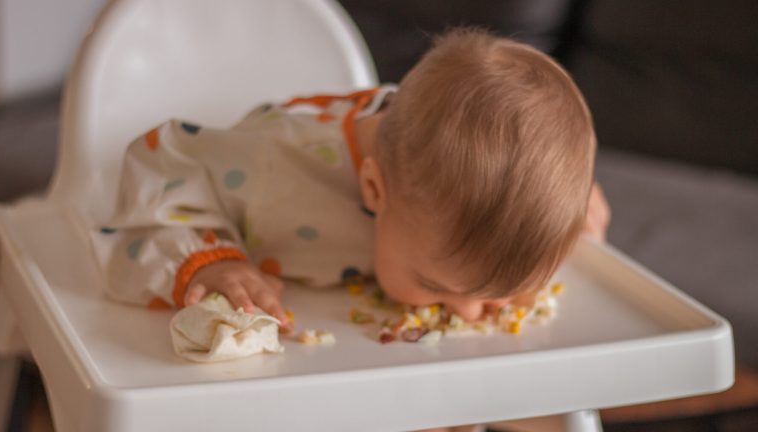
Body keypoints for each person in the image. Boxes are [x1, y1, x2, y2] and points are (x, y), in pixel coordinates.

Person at [91, 28, 610, 335]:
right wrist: (212, 260)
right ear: (374, 188)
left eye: (489, 295)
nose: (469, 312)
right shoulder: (272, 165)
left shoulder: (456, 192)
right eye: (436, 286)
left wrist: (562, 202)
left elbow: (520, 160)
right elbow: (159, 172)